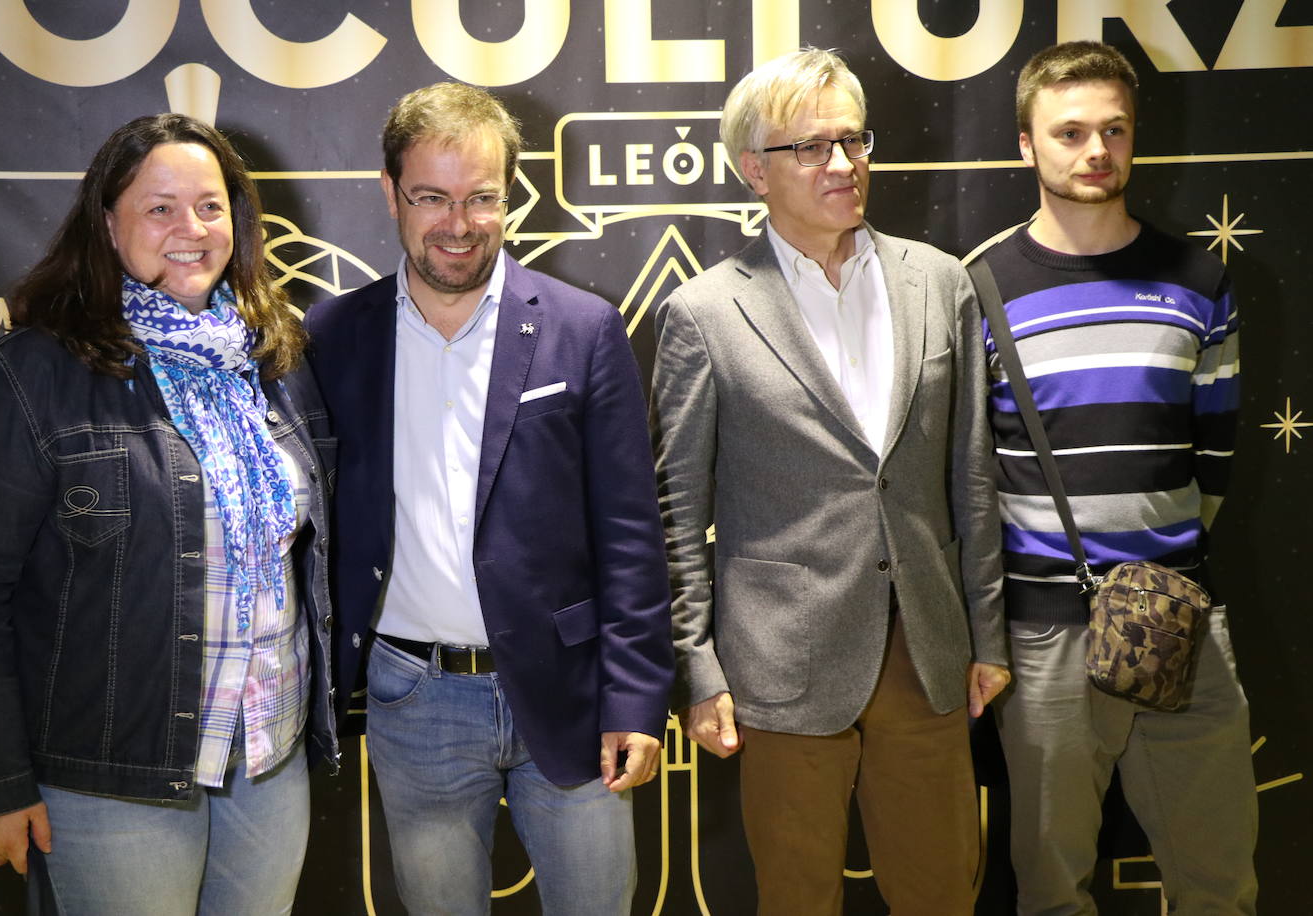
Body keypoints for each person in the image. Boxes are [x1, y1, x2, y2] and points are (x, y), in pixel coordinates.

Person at [0, 114, 339, 914]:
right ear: (107, 222)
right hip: (112, 776)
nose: (190, 229)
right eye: (160, 208)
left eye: (211, 206)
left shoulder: (274, 358)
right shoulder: (33, 373)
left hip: (266, 755)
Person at [651, 48, 1010, 915]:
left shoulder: (939, 282)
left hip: (926, 653)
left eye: (853, 141)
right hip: (781, 664)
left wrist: (987, 635)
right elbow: (677, 511)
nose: (843, 165)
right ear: (754, 172)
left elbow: (971, 472)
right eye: (811, 148)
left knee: (940, 893)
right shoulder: (706, 314)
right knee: (798, 898)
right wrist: (698, 670)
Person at [303, 81, 673, 915]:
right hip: (413, 700)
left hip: (570, 695)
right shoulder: (332, 337)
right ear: (390, 192)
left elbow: (629, 535)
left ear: (511, 194)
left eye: (482, 198)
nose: (459, 224)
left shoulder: (584, 329)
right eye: (432, 197)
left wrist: (636, 698)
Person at [972, 41, 1257, 914]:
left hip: (1179, 621)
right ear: (1027, 145)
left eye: (1113, 130)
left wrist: (1158, 568)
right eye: (1069, 132)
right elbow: (970, 476)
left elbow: (1215, 455)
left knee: (1218, 884)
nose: (1095, 150)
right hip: (1043, 637)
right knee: (1051, 889)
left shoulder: (1200, 281)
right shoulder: (978, 287)